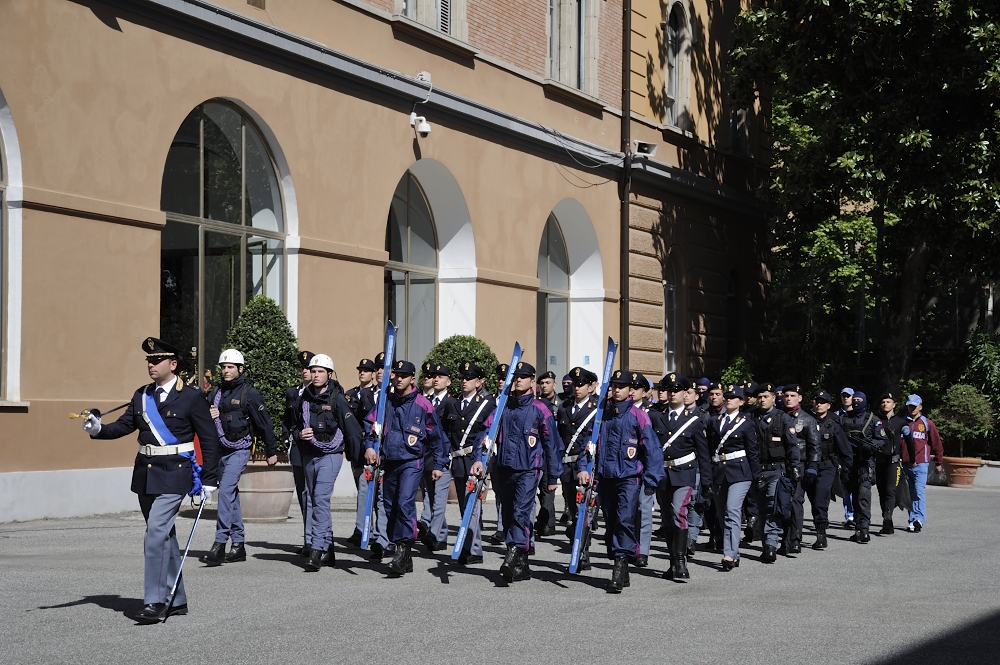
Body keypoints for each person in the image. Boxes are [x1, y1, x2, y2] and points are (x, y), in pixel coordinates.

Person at [82, 337, 221, 623]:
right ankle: (177, 599)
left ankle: (156, 601)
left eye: (157, 360)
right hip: (146, 473)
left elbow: (209, 439)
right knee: (165, 536)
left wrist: (209, 478)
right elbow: (123, 426)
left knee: (155, 533)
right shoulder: (141, 395)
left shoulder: (192, 396)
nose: (151, 365)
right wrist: (97, 429)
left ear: (173, 364)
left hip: (176, 472)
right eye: (148, 360)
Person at [470, 362, 561, 583]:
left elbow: (552, 444)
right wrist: (478, 460)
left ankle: (512, 554)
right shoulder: (502, 405)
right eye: (515, 376)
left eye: (523, 376)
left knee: (521, 512)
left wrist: (553, 476)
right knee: (509, 514)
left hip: (529, 469)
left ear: (532, 381)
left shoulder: (541, 409)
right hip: (504, 468)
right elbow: (485, 434)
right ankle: (523, 565)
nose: (518, 380)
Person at [576, 370, 663, 592]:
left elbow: (652, 450)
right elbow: (588, 445)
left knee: (624, 520)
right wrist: (583, 469)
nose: (616, 390)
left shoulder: (638, 415)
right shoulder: (601, 415)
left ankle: (619, 565)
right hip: (605, 477)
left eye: (621, 386)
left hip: (628, 477)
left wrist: (652, 480)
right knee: (612, 521)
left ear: (630, 391)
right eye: (614, 386)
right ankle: (622, 569)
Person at [364, 360, 449, 576]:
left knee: (404, 504)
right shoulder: (386, 401)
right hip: (389, 461)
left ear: (413, 378)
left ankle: (402, 549)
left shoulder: (423, 404)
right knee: (390, 506)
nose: (399, 378)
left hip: (412, 461)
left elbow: (436, 436)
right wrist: (369, 446)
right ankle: (405, 554)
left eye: (404, 375)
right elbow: (369, 424)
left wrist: (439, 464)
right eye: (397, 374)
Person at [199, 349, 278, 566]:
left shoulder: (249, 393)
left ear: (240, 369)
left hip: (239, 449)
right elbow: (202, 421)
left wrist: (271, 451)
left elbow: (264, 423)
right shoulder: (214, 393)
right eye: (223, 367)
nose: (226, 370)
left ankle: (219, 543)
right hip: (219, 450)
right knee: (231, 495)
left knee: (224, 491)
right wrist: (209, 414)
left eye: (230, 367)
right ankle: (239, 545)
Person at [291, 354, 363, 570]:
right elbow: (293, 425)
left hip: (331, 455)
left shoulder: (338, 399)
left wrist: (357, 458)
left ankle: (316, 550)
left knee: (320, 500)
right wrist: (298, 435)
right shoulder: (302, 398)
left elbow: (352, 431)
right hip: (308, 454)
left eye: (320, 371)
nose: (315, 375)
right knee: (313, 500)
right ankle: (328, 549)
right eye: (313, 371)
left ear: (329, 374)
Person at [653, 373, 710, 581]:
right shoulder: (657, 417)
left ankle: (680, 561)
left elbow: (704, 455)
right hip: (662, 474)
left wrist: (707, 481)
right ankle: (672, 562)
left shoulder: (693, 421)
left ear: (685, 393)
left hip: (684, 474)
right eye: (670, 390)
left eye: (677, 390)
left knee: (679, 512)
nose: (673, 393)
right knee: (667, 520)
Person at [708, 385, 759, 571]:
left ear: (741, 401)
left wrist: (757, 476)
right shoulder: (714, 421)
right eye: (727, 396)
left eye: (733, 397)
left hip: (740, 472)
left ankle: (729, 553)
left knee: (732, 510)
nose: (729, 399)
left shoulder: (746, 423)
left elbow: (752, 452)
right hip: (719, 472)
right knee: (722, 513)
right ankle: (734, 552)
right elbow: (710, 448)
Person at [450, 361, 496, 566]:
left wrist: (482, 459)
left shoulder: (487, 404)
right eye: (462, 378)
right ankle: (468, 544)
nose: (464, 381)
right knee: (463, 506)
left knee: (473, 505)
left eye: (469, 378)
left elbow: (488, 433)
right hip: (458, 460)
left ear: (480, 382)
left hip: (475, 459)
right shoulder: (455, 403)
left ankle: (474, 549)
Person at [750, 382, 799, 563]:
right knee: (761, 508)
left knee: (773, 507)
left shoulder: (783, 418)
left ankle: (771, 545)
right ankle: (766, 544)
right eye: (760, 397)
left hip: (777, 470)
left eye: (766, 396)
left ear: (773, 398)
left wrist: (794, 467)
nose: (762, 400)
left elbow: (792, 445)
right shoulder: (750, 417)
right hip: (757, 471)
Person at [557, 367, 599, 543]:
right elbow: (559, 436)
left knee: (586, 509)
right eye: (575, 384)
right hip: (567, 466)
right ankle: (577, 538)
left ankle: (583, 549)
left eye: (581, 384)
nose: (577, 388)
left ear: (590, 387)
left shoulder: (596, 409)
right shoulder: (564, 408)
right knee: (573, 509)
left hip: (588, 466)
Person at [419, 363, 458, 552]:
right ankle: (440, 536)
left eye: (441, 376)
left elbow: (452, 432)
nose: (436, 379)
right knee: (432, 496)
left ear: (449, 381)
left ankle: (434, 534)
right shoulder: (427, 400)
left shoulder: (451, 403)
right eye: (434, 376)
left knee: (440, 497)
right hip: (425, 454)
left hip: (442, 455)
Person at [841, 392, 889, 543]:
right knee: (853, 497)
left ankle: (864, 529)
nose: (856, 402)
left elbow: (882, 440)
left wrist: (870, 447)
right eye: (854, 400)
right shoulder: (843, 419)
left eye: (859, 400)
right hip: (849, 464)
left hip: (865, 463)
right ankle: (857, 528)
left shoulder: (872, 420)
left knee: (863, 496)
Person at [807, 390, 853, 549]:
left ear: (828, 405)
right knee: (813, 499)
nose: (819, 404)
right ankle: (819, 521)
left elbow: (845, 449)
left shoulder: (834, 424)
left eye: (822, 402)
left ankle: (821, 535)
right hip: (809, 466)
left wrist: (846, 469)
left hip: (827, 465)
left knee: (821, 496)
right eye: (816, 401)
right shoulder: (807, 421)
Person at [780, 383, 819, 555]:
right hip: (780, 465)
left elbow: (814, 446)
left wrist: (812, 467)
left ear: (800, 398)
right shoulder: (779, 416)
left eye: (792, 396)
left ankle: (795, 539)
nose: (788, 399)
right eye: (786, 396)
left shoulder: (807, 419)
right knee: (780, 503)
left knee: (796, 502)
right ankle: (782, 538)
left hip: (799, 465)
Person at [284, 350, 314, 554]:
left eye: (309, 368)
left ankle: (318, 539)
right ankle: (308, 539)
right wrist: (289, 438)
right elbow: (288, 420)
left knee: (315, 495)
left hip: (316, 449)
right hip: (297, 449)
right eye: (302, 368)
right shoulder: (293, 392)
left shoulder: (323, 392)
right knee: (303, 495)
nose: (304, 371)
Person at [900, 394, 944, 533]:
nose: (912, 408)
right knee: (909, 493)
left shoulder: (927, 423)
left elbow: (936, 443)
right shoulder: (902, 423)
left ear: (920, 407)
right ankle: (912, 520)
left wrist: (938, 461)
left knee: (919, 491)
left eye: (914, 406)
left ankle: (919, 519)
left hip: (921, 463)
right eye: (910, 405)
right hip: (906, 464)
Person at [346, 358, 378, 546]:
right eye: (360, 370)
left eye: (366, 371)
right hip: (356, 449)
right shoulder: (350, 394)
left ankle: (370, 530)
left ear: (373, 373)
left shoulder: (376, 394)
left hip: (371, 447)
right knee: (362, 491)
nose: (362, 373)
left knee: (374, 493)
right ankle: (362, 529)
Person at [535, 370, 561, 536]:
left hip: (553, 451)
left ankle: (548, 523)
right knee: (540, 489)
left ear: (554, 384)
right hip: (538, 450)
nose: (544, 386)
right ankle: (545, 519)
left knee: (548, 488)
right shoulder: (536, 403)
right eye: (542, 383)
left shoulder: (562, 404)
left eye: (548, 383)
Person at [876, 392, 906, 534]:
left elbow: (909, 442)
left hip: (893, 462)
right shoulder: (876, 420)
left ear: (894, 405)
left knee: (890, 491)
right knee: (882, 492)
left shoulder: (900, 422)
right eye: (883, 402)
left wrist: (911, 459)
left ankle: (888, 519)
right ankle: (886, 517)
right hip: (879, 462)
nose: (885, 404)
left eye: (888, 401)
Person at [837, 387, 856, 529]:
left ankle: (857, 513)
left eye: (848, 396)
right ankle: (849, 515)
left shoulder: (859, 414)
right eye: (844, 396)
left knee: (857, 487)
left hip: (857, 455)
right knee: (845, 487)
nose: (846, 398)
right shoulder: (836, 415)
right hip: (841, 456)